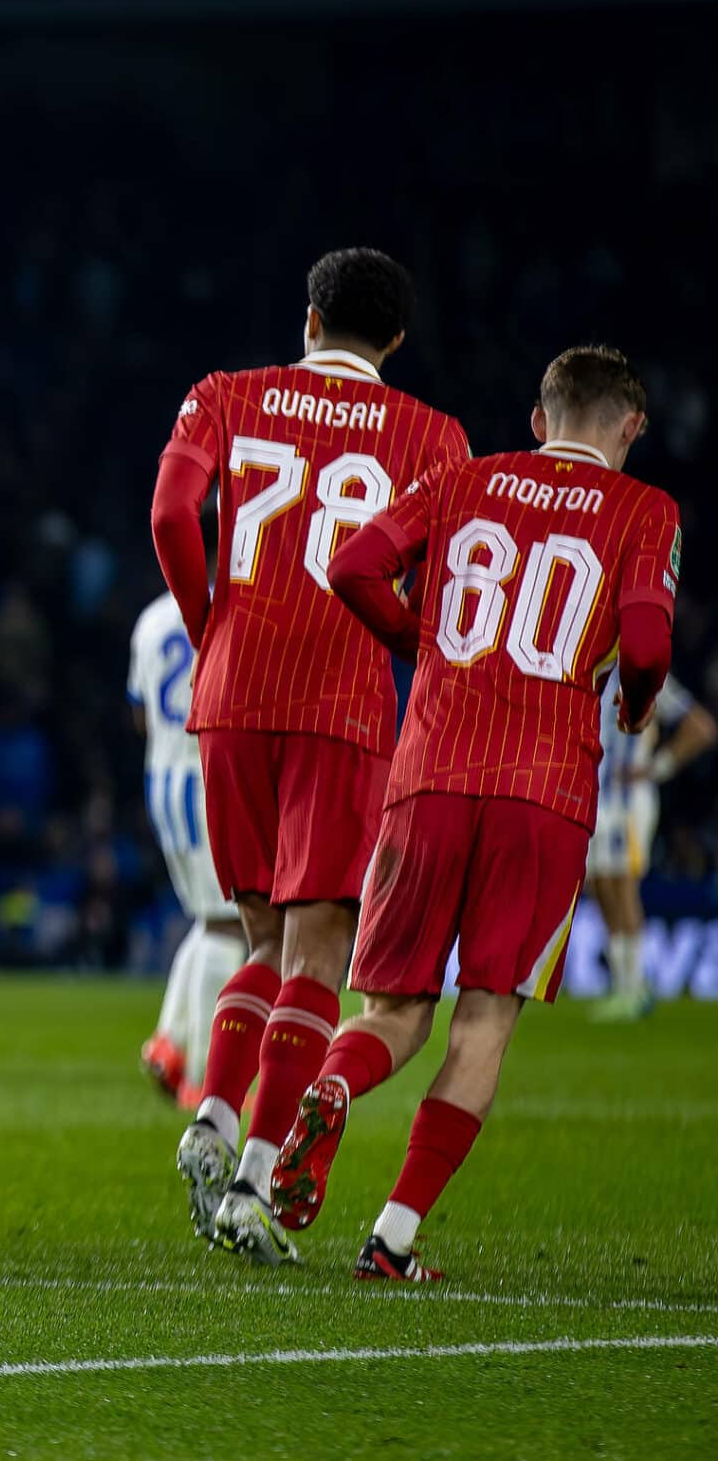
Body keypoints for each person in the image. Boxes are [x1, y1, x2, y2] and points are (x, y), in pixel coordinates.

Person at [273, 345, 681, 1281]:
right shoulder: (646, 509)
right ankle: (393, 1238)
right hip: (545, 793)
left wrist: (419, 641)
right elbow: (650, 638)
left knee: (394, 1009)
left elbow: (356, 562)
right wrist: (635, 699)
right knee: (484, 1020)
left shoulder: (461, 479)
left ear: (539, 420)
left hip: (428, 777)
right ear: (633, 427)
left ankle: (332, 1083)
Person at [149, 248, 469, 1262]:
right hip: (340, 697)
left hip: (233, 689)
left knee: (262, 943)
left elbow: (168, 513)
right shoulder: (433, 435)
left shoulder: (225, 394)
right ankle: (250, 1179)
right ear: (397, 341)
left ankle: (210, 1114)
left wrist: (210, 625)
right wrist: (411, 646)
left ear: (308, 318)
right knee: (319, 951)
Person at [126, 583, 244, 1109]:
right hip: (210, 777)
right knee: (231, 921)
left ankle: (170, 1042)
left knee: (209, 914)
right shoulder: (233, 607)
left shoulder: (151, 618)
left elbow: (140, 713)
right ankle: (202, 1079)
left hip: (162, 778)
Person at [582, 672, 711, 1021]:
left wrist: (656, 768)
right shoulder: (592, 669)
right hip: (597, 798)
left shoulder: (645, 676)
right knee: (601, 886)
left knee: (622, 886)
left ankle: (633, 989)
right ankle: (625, 985)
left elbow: (700, 727)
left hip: (627, 801)